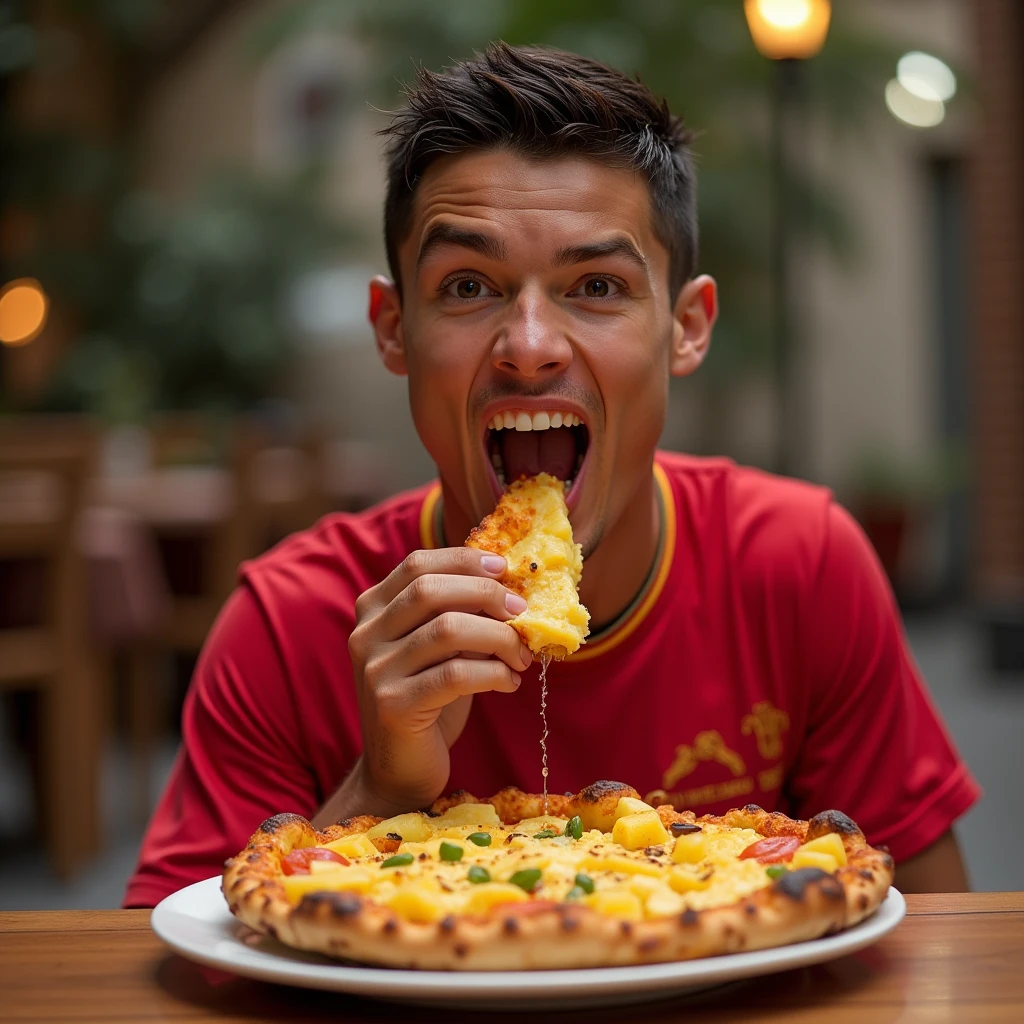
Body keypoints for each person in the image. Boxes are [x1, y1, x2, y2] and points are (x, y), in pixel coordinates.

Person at [125, 42, 978, 908]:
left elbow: (937, 937)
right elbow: (172, 969)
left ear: (686, 328)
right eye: (466, 285)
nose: (529, 347)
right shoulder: (287, 622)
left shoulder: (802, 565)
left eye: (597, 286)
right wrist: (382, 790)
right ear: (393, 329)